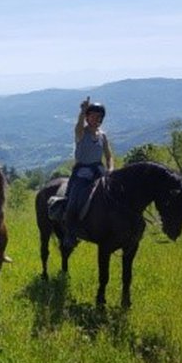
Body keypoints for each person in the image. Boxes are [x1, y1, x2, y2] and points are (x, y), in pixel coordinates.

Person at [63, 96, 114, 249]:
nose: (96, 119)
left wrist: (110, 169)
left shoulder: (102, 136)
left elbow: (109, 156)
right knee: (74, 198)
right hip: (82, 172)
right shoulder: (81, 133)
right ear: (87, 117)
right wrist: (82, 111)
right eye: (93, 116)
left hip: (99, 170)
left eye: (99, 116)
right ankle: (70, 233)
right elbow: (78, 126)